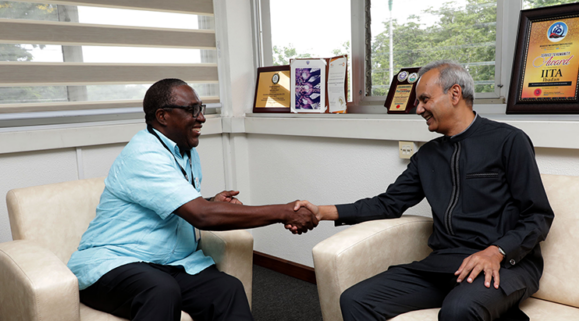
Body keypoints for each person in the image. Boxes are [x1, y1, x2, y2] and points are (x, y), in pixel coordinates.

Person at [296, 60, 554, 321]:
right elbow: (387, 204)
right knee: (355, 299)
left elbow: (538, 216)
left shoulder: (509, 141)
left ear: (455, 94)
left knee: (458, 309)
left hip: (505, 264)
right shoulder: (428, 155)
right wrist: (320, 212)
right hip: (444, 264)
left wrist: (496, 251)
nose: (418, 109)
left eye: (424, 99)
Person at [67, 78, 318, 321]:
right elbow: (201, 216)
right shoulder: (144, 155)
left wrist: (210, 200)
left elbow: (176, 202)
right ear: (163, 116)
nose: (201, 117)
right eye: (192, 110)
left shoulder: (184, 149)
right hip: (115, 263)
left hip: (169, 264)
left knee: (227, 290)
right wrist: (284, 212)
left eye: (201, 108)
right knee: (160, 290)